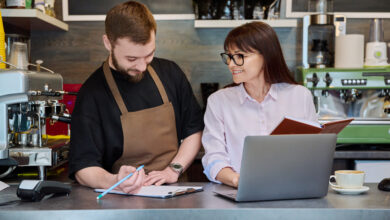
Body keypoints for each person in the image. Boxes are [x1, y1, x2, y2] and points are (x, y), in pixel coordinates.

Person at [69, 1, 203, 194]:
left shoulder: (170, 73)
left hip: (176, 193)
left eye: (149, 55)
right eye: (131, 59)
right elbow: (83, 167)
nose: (142, 67)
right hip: (122, 199)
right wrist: (114, 180)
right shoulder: (92, 94)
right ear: (108, 43)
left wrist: (173, 170)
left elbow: (193, 130)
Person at [201, 22, 318, 188]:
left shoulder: (300, 96)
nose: (232, 64)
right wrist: (236, 180)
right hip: (238, 193)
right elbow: (213, 158)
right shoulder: (218, 101)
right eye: (229, 56)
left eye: (240, 56)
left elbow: (313, 152)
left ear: (267, 56)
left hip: (292, 190)